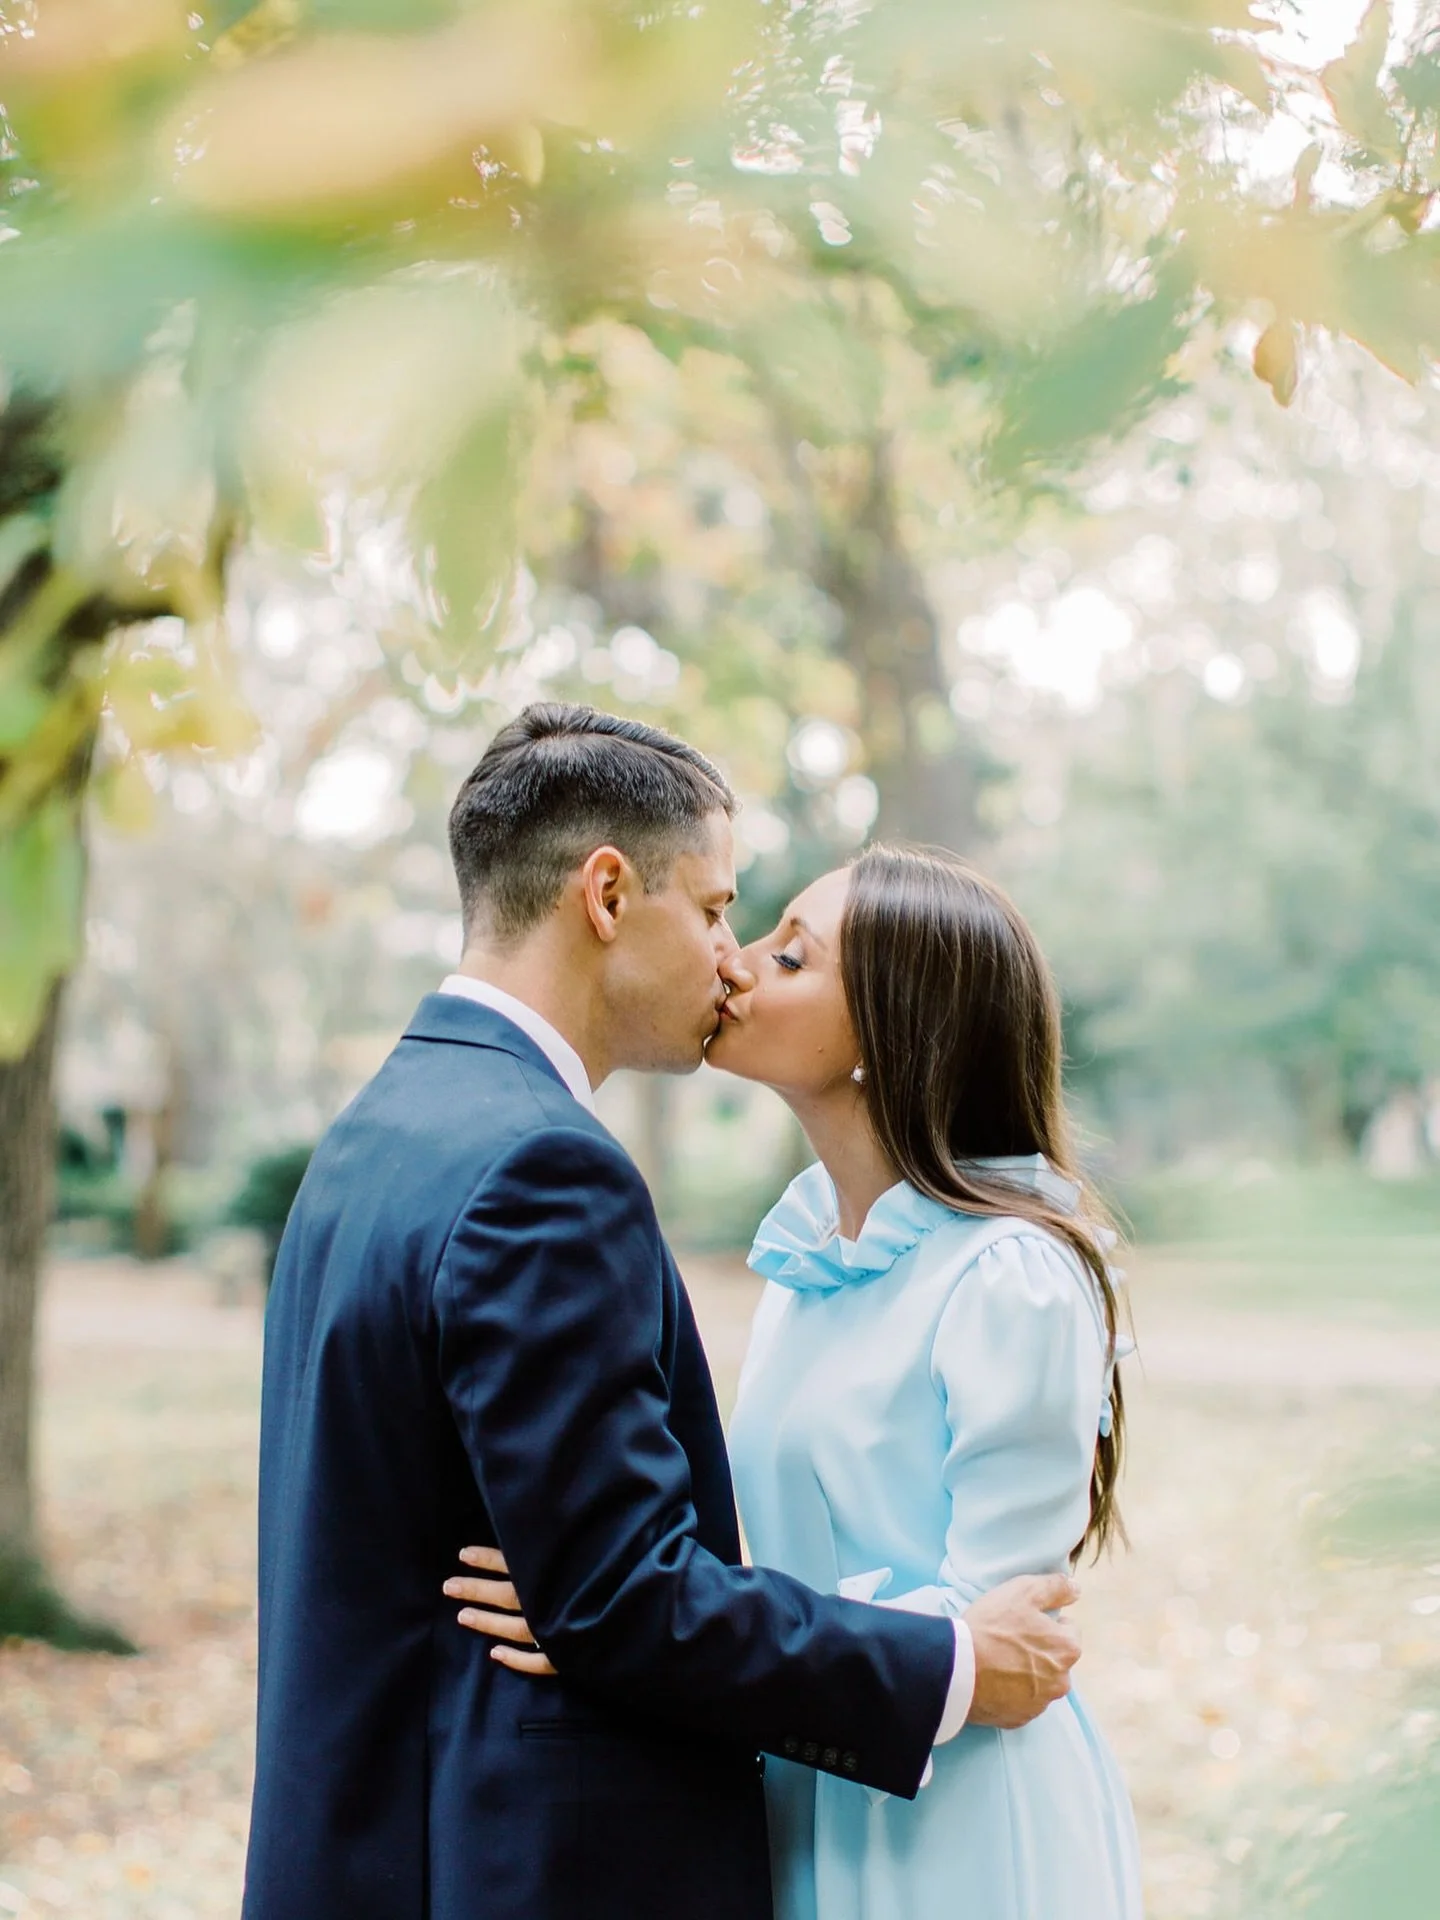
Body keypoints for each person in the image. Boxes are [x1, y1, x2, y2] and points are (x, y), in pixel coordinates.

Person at [242, 704, 1080, 1920]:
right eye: (716, 908)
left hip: (377, 1842)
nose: (728, 957)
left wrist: (596, 1593)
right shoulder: (541, 1168)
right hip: (497, 1866)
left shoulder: (379, 1131)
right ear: (606, 895)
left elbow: (596, 1582)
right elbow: (621, 1597)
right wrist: (943, 1666)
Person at [461, 843, 1142, 1918]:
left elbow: (999, 1639)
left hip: (953, 1822)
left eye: (790, 957)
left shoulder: (1009, 1278)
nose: (734, 962)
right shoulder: (808, 1265)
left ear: (890, 1028)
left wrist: (642, 1640)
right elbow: (775, 1565)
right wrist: (616, 1615)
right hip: (807, 1782)